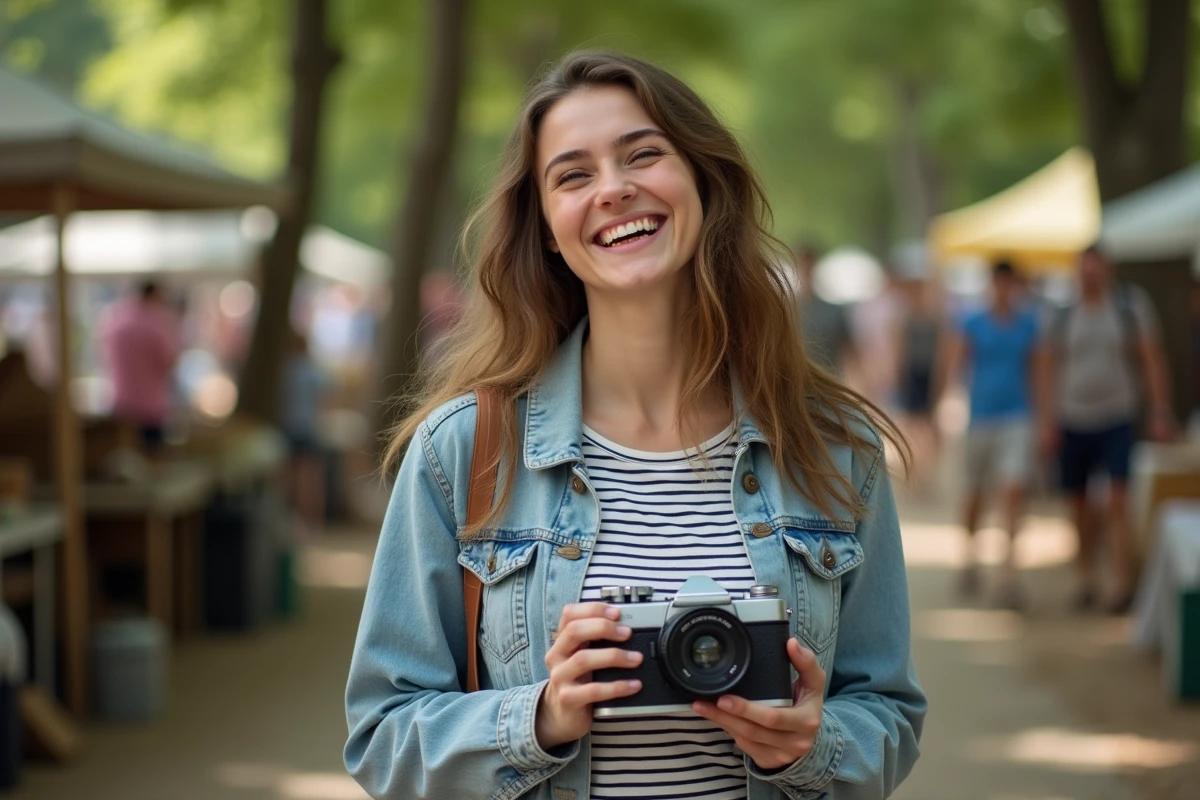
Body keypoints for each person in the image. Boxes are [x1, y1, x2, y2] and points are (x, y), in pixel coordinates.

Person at [344, 51, 925, 800]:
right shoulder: (464, 451)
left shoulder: (833, 447)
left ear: (702, 183)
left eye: (643, 155)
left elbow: (889, 713)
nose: (614, 189)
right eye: (573, 175)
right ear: (547, 229)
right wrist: (539, 718)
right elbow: (381, 734)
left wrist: (814, 746)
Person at [1036, 244, 1175, 614]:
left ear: (1109, 270)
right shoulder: (1061, 314)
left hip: (1117, 416)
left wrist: (1160, 409)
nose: (1092, 276)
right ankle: (1085, 576)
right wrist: (1046, 420)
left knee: (1117, 499)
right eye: (1086, 270)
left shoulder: (1130, 306)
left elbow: (1151, 358)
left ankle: (1121, 583)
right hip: (1072, 418)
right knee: (1078, 502)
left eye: (1097, 269)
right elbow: (1046, 368)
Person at [937, 261, 1040, 608]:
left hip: (1017, 416)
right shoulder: (973, 322)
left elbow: (1039, 369)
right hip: (980, 417)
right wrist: (947, 401)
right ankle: (970, 556)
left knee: (1013, 489)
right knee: (974, 493)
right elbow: (955, 363)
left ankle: (1008, 572)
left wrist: (1044, 417)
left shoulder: (1028, 324)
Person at [100, 280, 180, 452]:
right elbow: (169, 362)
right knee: (151, 457)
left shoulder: (116, 320)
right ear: (154, 296)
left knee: (123, 456)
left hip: (121, 403)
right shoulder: (157, 324)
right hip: (150, 407)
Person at [894, 275, 944, 490]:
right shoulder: (906, 319)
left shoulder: (934, 320)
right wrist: (900, 376)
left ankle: (926, 470)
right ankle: (915, 469)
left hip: (928, 373)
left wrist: (940, 379)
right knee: (913, 425)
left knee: (929, 425)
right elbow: (901, 350)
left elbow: (942, 352)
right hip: (913, 374)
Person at [793, 244, 857, 377]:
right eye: (803, 267)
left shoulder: (833, 311)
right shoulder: (786, 310)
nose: (806, 272)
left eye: (809, 267)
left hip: (827, 378)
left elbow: (849, 352)